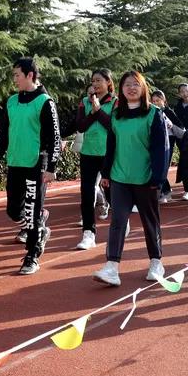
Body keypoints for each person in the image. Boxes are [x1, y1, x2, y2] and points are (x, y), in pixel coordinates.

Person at [92, 71, 170, 287]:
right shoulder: (117, 115)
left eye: (136, 84)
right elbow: (111, 145)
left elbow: (161, 149)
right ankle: (111, 267)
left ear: (143, 88)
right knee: (118, 222)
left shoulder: (154, 114)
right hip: (120, 178)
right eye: (127, 84)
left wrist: (158, 178)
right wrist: (106, 173)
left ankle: (156, 262)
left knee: (150, 222)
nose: (131, 88)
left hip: (146, 179)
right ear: (121, 89)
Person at [0, 57, 61, 275]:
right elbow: (4, 133)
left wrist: (52, 167)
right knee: (13, 211)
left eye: (17, 75)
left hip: (35, 165)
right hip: (15, 162)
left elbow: (55, 138)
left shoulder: (45, 102)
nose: (14, 79)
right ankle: (39, 229)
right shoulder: (11, 101)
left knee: (31, 212)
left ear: (30, 75)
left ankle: (32, 255)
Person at [74, 69, 115, 250]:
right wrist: (93, 110)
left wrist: (98, 110)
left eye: (99, 80)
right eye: (93, 81)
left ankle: (122, 222)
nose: (95, 84)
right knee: (87, 193)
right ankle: (88, 233)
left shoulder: (115, 102)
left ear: (108, 82)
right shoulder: (85, 101)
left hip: (108, 154)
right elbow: (80, 126)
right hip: (88, 153)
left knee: (111, 192)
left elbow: (112, 126)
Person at [151, 89, 185, 203]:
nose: (155, 103)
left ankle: (165, 192)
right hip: (156, 141)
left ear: (163, 100)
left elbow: (181, 127)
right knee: (156, 165)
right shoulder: (151, 112)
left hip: (168, 141)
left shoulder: (169, 111)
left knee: (163, 166)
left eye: (158, 100)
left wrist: (170, 125)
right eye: (153, 101)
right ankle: (164, 191)